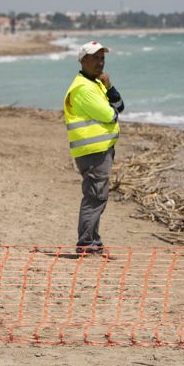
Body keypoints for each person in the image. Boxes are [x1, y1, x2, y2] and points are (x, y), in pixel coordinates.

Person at [63, 41, 124, 256]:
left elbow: (120, 106)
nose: (100, 62)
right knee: (95, 196)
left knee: (98, 195)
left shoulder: (96, 83)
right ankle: (86, 244)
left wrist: (109, 87)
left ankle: (94, 242)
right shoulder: (83, 88)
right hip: (92, 152)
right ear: (83, 60)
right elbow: (111, 114)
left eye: (102, 58)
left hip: (100, 149)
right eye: (95, 58)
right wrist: (112, 110)